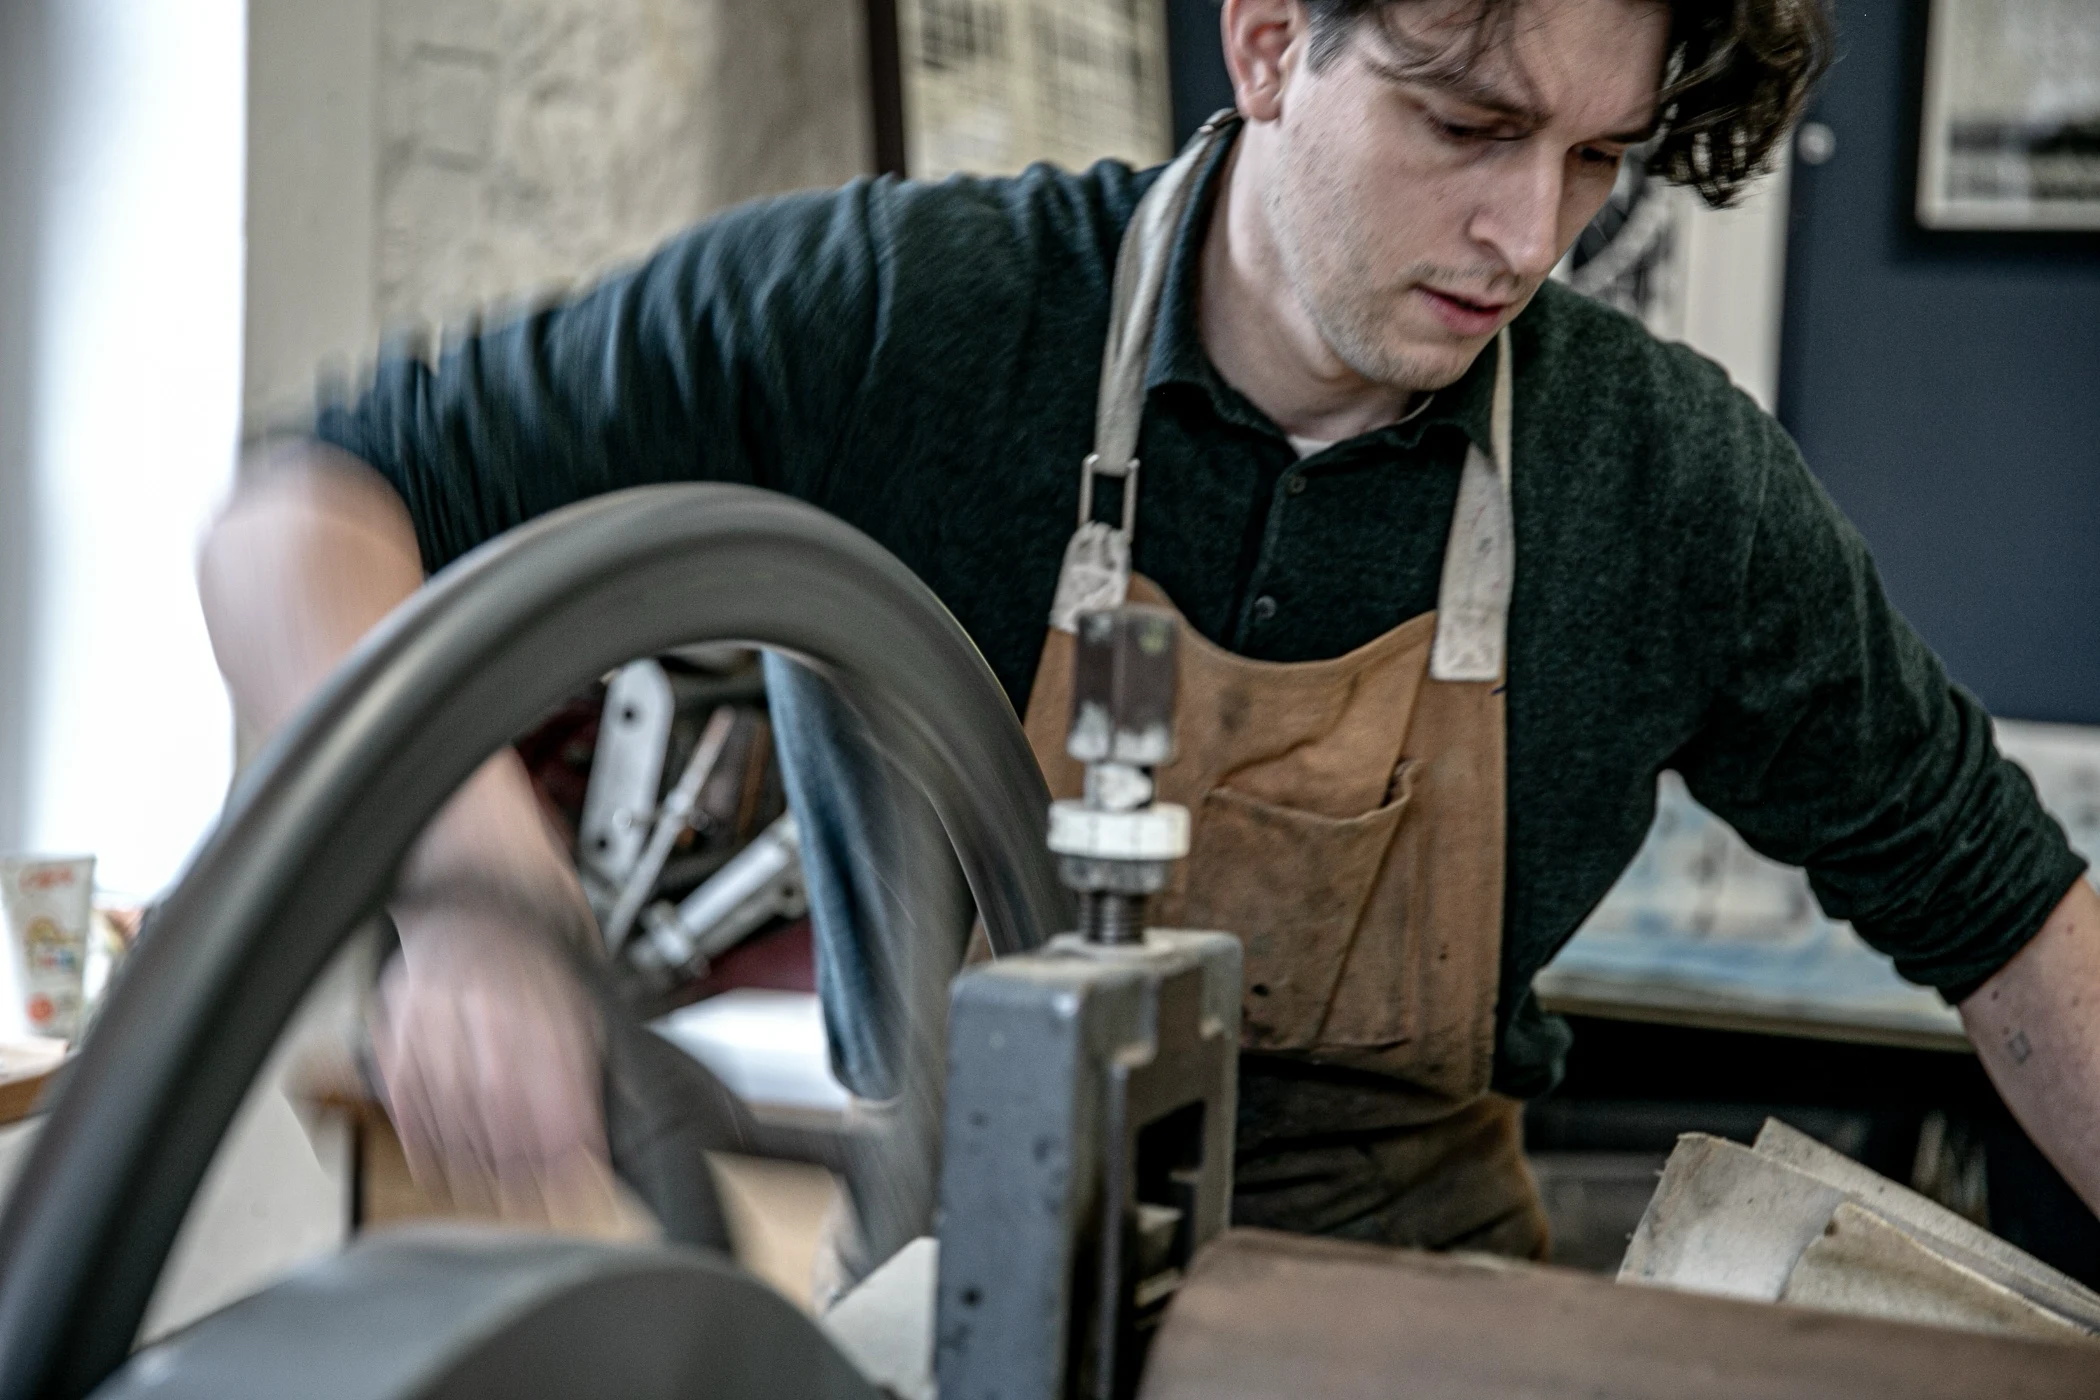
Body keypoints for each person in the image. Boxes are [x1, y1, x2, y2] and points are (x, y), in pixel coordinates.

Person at [200, 0, 2100, 1256]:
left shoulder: (1664, 482)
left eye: (1595, 158)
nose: (1530, 233)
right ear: (1274, 41)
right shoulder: (908, 324)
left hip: (1424, 1329)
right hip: (970, 1297)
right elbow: (304, 519)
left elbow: (2020, 928)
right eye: (1469, 123)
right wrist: (481, 898)